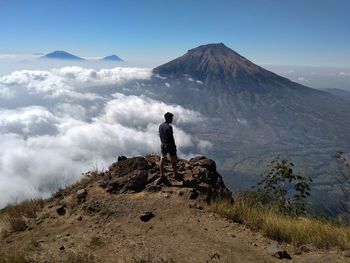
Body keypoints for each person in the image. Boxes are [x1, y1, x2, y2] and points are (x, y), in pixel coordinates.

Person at [159, 112, 181, 181]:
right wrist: (174, 147)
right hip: (169, 145)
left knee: (162, 159)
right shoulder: (169, 127)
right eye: (171, 118)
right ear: (167, 118)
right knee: (173, 160)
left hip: (163, 144)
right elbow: (171, 139)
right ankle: (175, 174)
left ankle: (162, 174)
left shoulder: (161, 126)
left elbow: (160, 135)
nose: (172, 120)